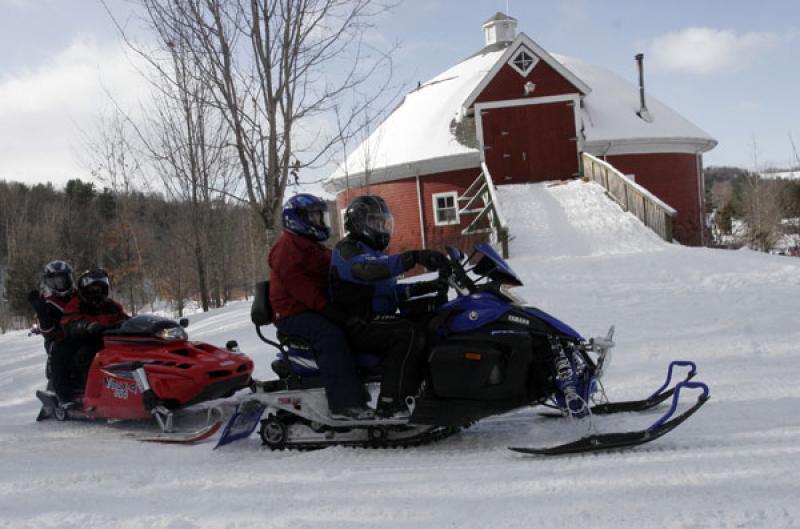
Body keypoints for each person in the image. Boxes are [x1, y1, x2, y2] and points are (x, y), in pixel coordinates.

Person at [330, 195, 449, 417]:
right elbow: (367, 270)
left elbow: (391, 293)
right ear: (359, 223)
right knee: (408, 333)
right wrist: (413, 257)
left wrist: (429, 287)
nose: (382, 228)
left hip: (374, 321)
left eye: (384, 223)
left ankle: (426, 391)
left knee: (429, 322)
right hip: (357, 324)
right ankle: (391, 403)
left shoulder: (375, 254)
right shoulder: (347, 250)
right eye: (376, 223)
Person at [268, 193, 374, 420]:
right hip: (293, 314)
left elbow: (335, 268)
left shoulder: (311, 246)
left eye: (320, 216)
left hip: (311, 308)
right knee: (330, 335)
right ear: (297, 218)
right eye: (314, 216)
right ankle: (344, 405)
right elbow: (302, 288)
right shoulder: (287, 248)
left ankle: (360, 387)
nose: (319, 221)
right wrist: (329, 310)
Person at [52, 268, 129, 405]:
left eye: (100, 289)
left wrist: (136, 324)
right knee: (83, 355)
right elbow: (69, 322)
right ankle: (71, 395)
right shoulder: (77, 304)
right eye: (93, 289)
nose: (96, 293)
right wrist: (88, 326)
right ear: (85, 289)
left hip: (109, 341)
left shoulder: (112, 306)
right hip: (84, 340)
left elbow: (126, 319)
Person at [27, 260, 80, 387]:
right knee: (59, 351)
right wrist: (41, 312)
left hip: (82, 334)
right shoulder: (47, 303)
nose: (60, 284)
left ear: (70, 278)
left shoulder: (79, 297)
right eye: (54, 281)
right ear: (48, 283)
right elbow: (47, 331)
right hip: (57, 340)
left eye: (63, 279)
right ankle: (64, 394)